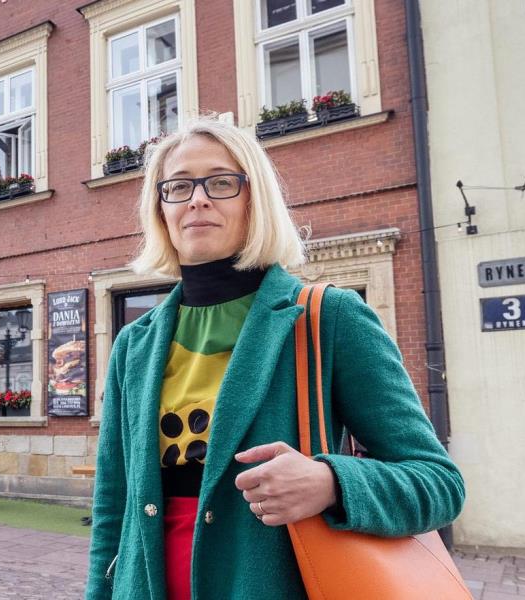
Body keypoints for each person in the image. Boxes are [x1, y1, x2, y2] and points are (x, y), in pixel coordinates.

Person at [85, 117, 465, 600]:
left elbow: (439, 483)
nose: (197, 199)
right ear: (161, 209)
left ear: (255, 199)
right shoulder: (133, 344)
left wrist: (332, 482)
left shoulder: (329, 318)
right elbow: (112, 508)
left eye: (221, 182)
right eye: (178, 187)